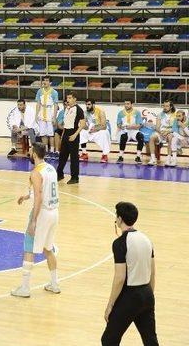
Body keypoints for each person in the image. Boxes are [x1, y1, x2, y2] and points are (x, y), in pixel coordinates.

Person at [101, 201, 158, 346]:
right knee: (150, 340)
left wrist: (110, 305)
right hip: (147, 294)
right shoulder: (147, 239)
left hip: (130, 296)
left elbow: (120, 278)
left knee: (109, 340)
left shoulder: (120, 243)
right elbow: (152, 272)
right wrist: (148, 296)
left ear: (119, 219)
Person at [11, 142, 60, 298]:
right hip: (54, 213)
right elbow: (43, 191)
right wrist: (26, 196)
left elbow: (39, 197)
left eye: (30, 151)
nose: (29, 153)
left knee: (28, 248)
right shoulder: (50, 168)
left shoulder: (36, 173)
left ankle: (25, 288)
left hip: (43, 214)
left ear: (34, 154)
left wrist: (33, 220)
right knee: (48, 248)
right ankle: (54, 284)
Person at [56, 93, 86, 184]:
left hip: (74, 133)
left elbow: (83, 124)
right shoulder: (67, 109)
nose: (67, 100)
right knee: (62, 156)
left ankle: (75, 177)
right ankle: (59, 174)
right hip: (66, 133)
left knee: (74, 157)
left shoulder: (79, 109)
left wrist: (75, 135)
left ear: (74, 99)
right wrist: (62, 137)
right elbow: (65, 125)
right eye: (67, 98)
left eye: (69, 98)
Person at [80, 99, 112, 163]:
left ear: (93, 105)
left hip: (100, 129)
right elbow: (85, 125)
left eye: (89, 104)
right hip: (91, 130)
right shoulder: (85, 112)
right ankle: (84, 153)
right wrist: (83, 126)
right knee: (81, 132)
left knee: (104, 133)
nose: (87, 106)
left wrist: (95, 129)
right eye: (86, 104)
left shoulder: (101, 112)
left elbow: (104, 126)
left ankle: (104, 155)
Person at [34, 76, 59, 156]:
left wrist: (54, 117)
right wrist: (36, 114)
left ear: (50, 82)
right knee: (43, 133)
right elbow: (38, 103)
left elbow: (55, 105)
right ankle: (45, 150)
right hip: (42, 112)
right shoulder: (39, 91)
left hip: (50, 112)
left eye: (47, 80)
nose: (45, 82)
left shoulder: (54, 92)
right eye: (44, 80)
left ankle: (52, 150)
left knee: (50, 134)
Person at [148, 100, 175, 166]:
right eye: (164, 106)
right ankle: (153, 158)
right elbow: (157, 127)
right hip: (161, 132)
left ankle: (168, 159)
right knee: (152, 137)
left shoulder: (175, 115)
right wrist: (161, 132)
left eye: (167, 106)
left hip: (170, 132)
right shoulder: (160, 114)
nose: (165, 107)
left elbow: (175, 128)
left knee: (171, 138)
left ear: (171, 107)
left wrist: (168, 132)